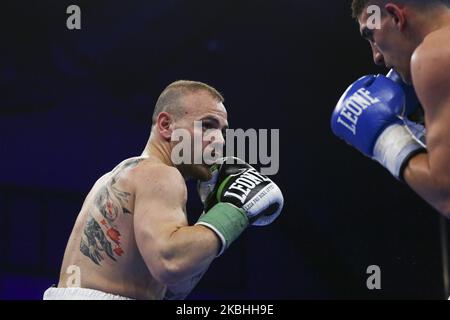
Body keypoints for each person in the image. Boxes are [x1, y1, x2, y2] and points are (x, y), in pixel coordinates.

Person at [43, 80, 284, 300]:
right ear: (166, 125)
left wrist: (210, 216)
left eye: (222, 131)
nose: (219, 141)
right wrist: (233, 210)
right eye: (207, 126)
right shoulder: (160, 174)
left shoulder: (120, 175)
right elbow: (171, 263)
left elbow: (174, 287)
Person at [331, 0, 450, 218]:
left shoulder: (434, 55)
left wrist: (387, 139)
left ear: (396, 16)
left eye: (371, 35)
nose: (376, 56)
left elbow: (447, 196)